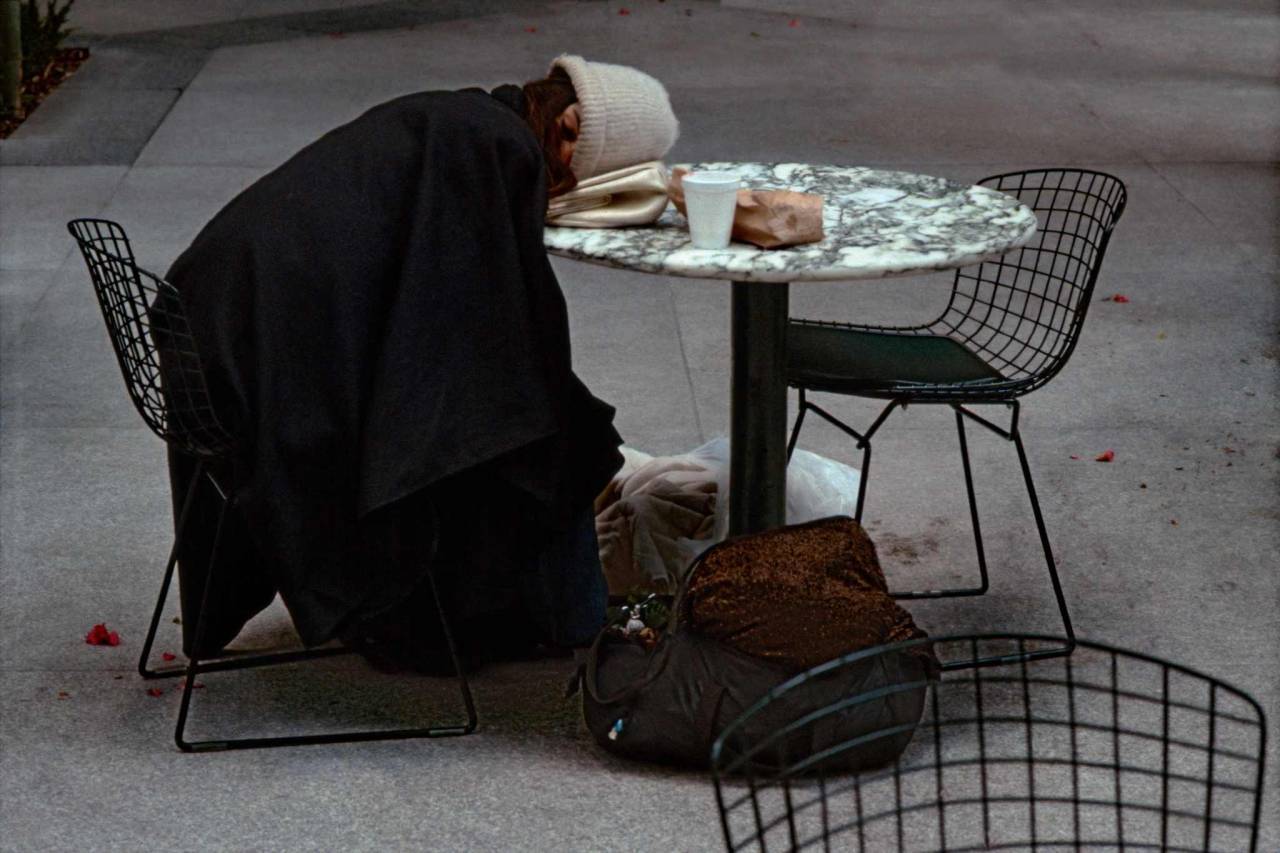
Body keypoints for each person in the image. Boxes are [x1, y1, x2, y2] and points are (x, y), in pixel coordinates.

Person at [163, 55, 679, 672]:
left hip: (221, 318)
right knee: (555, 433)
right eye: (596, 175)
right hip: (261, 349)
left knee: (537, 417)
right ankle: (572, 627)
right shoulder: (496, 148)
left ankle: (519, 612)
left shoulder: (468, 117)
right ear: (571, 129)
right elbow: (495, 328)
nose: (571, 190)